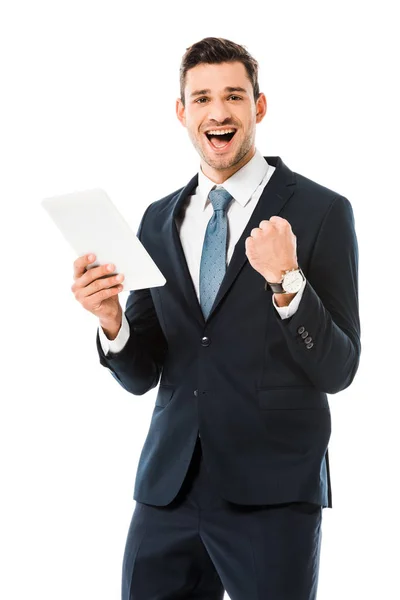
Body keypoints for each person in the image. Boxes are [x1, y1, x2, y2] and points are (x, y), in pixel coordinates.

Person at [71, 37, 361, 600]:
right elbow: (143, 373)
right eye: (202, 98)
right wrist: (112, 323)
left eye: (234, 95)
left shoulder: (322, 211)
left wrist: (288, 283)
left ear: (259, 106)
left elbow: (340, 369)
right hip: (167, 492)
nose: (219, 112)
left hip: (272, 496)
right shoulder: (157, 221)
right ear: (182, 113)